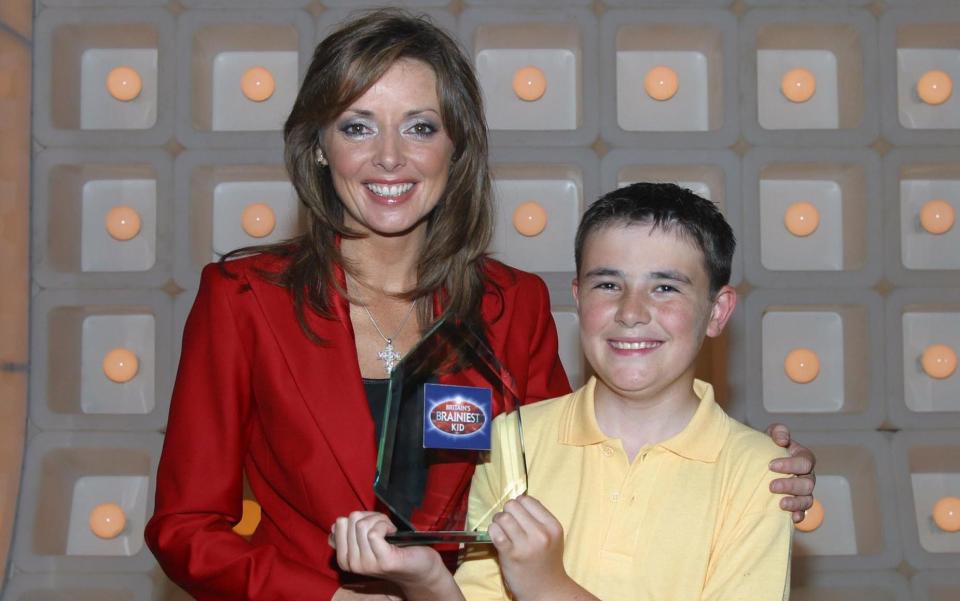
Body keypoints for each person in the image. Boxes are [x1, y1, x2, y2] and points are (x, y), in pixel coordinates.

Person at [145, 9, 814, 601]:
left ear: (455, 146)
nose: (388, 158)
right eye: (357, 126)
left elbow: (566, 484)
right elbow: (184, 528)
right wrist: (325, 596)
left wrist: (753, 471)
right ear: (319, 146)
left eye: (420, 126)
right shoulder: (243, 298)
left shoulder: (511, 303)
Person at [331, 183, 795, 601]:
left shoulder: (760, 473)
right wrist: (426, 578)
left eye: (666, 287)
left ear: (717, 311)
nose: (631, 312)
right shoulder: (512, 440)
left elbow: (540, 585)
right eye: (608, 284)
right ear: (577, 296)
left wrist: (547, 585)